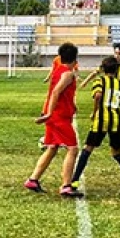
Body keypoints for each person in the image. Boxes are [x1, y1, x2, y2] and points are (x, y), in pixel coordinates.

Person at [63, 55, 120, 198]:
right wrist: (118, 112)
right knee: (116, 152)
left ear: (103, 69)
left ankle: (74, 181)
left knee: (87, 149)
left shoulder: (99, 81)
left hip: (101, 121)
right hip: (116, 122)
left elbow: (98, 96)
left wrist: (95, 112)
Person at [25, 43, 79, 194]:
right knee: (73, 149)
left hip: (57, 115)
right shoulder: (68, 74)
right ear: (75, 59)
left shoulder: (58, 70)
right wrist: (49, 113)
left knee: (52, 147)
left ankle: (33, 180)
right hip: (59, 116)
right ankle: (66, 185)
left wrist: (72, 105)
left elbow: (60, 93)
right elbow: (55, 92)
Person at [83, 43, 120, 145]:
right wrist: (85, 82)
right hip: (108, 94)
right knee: (111, 114)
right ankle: (118, 138)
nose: (117, 56)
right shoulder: (109, 63)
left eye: (119, 54)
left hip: (119, 93)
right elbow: (95, 73)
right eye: (116, 53)